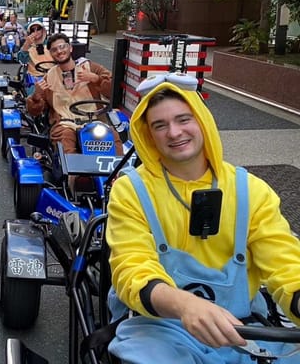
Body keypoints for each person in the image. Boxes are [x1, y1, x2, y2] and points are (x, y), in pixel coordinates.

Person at [106, 73, 300, 364]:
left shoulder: (251, 190)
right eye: (160, 125)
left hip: (245, 329)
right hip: (160, 329)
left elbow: (286, 265)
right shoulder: (131, 190)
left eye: (184, 119)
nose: (174, 132)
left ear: (203, 122)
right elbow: (132, 267)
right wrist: (185, 306)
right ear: (148, 135)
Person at [26, 32, 120, 155]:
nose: (59, 52)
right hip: (65, 123)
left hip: (94, 120)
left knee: (112, 137)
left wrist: (96, 79)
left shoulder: (90, 67)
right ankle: (73, 174)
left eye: (62, 47)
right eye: (54, 50)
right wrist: (36, 97)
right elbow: (35, 111)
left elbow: (114, 90)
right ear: (51, 54)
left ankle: (118, 172)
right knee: (65, 139)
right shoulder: (49, 77)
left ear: (70, 48)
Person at [17, 18, 53, 83]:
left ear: (43, 30)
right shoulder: (28, 46)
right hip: (35, 79)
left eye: (38, 29)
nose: (36, 32)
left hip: (52, 77)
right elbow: (22, 60)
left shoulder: (51, 44)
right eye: (33, 30)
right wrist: (26, 45)